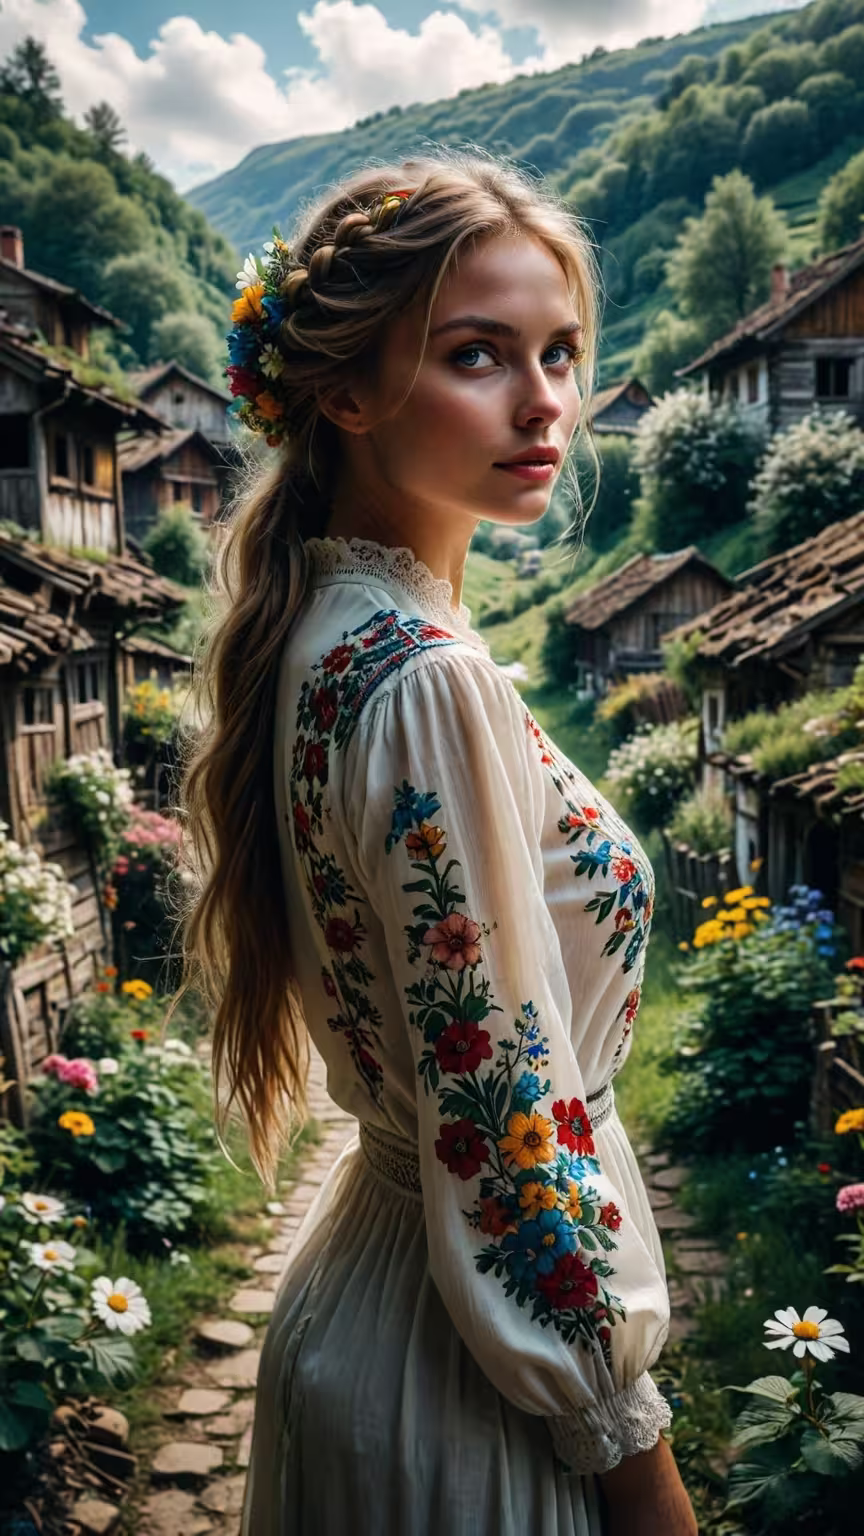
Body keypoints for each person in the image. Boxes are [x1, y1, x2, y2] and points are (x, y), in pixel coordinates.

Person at [176, 150, 698, 1536]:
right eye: (480, 355)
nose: (547, 404)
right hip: (469, 1397)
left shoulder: (322, 633)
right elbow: (509, 1131)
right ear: (344, 393)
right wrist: (633, 1457)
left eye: (561, 353)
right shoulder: (423, 675)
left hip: (379, 1318)